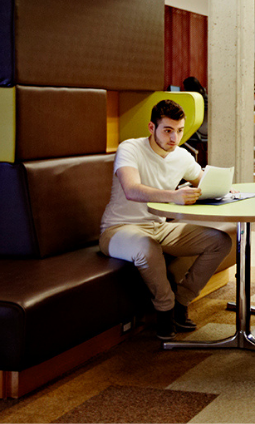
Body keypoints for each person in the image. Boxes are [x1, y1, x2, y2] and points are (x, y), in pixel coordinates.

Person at [99, 99, 232, 340]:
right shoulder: (130, 148)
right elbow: (132, 190)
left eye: (179, 131)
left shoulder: (181, 156)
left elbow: (204, 181)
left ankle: (182, 300)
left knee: (220, 241)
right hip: (118, 229)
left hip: (158, 227)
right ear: (152, 128)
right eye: (168, 130)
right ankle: (165, 309)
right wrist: (174, 196)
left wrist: (226, 190)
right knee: (146, 247)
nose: (174, 138)